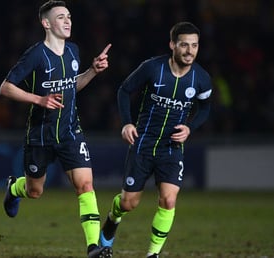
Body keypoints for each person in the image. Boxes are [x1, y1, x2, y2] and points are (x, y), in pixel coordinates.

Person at [0, 1, 112, 257]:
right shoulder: (36, 55)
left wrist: (92, 71)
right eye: (61, 17)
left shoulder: (73, 51)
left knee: (85, 185)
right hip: (41, 133)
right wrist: (39, 99)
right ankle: (13, 189)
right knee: (34, 190)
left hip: (71, 131)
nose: (68, 21)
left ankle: (94, 247)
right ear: (46, 23)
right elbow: (5, 87)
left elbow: (72, 85)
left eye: (69, 16)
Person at [100, 22, 212, 258]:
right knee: (129, 203)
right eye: (184, 45)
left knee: (169, 200)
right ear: (172, 45)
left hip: (171, 148)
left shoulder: (201, 78)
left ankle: (153, 254)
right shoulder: (152, 68)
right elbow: (124, 90)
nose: (190, 51)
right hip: (143, 144)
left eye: (194, 45)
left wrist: (190, 128)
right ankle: (113, 217)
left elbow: (205, 108)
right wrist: (127, 123)